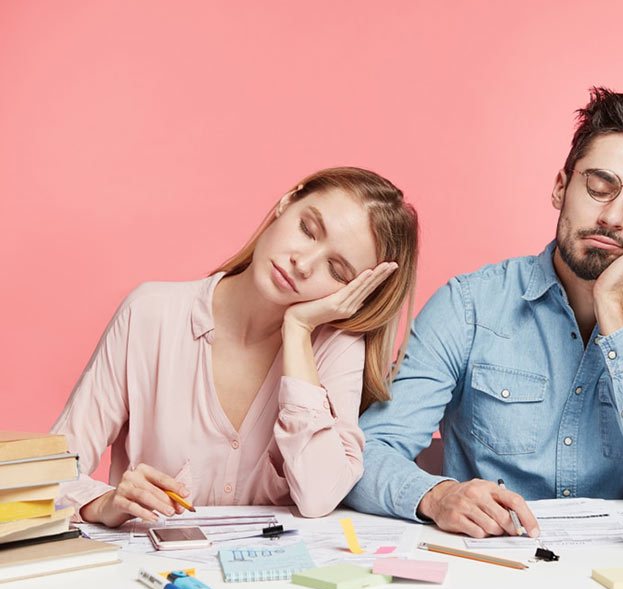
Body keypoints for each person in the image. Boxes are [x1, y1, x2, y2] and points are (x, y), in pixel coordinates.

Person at [345, 88, 623, 538]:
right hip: (489, 568)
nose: (614, 217)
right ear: (561, 187)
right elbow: (365, 454)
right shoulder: (468, 306)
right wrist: (436, 496)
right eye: (600, 185)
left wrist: (612, 309)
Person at [51, 166, 418, 526]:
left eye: (338, 271)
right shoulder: (149, 315)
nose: (303, 264)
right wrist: (100, 503)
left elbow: (320, 495)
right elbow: (46, 474)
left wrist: (298, 329)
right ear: (287, 201)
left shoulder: (336, 348)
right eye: (307, 229)